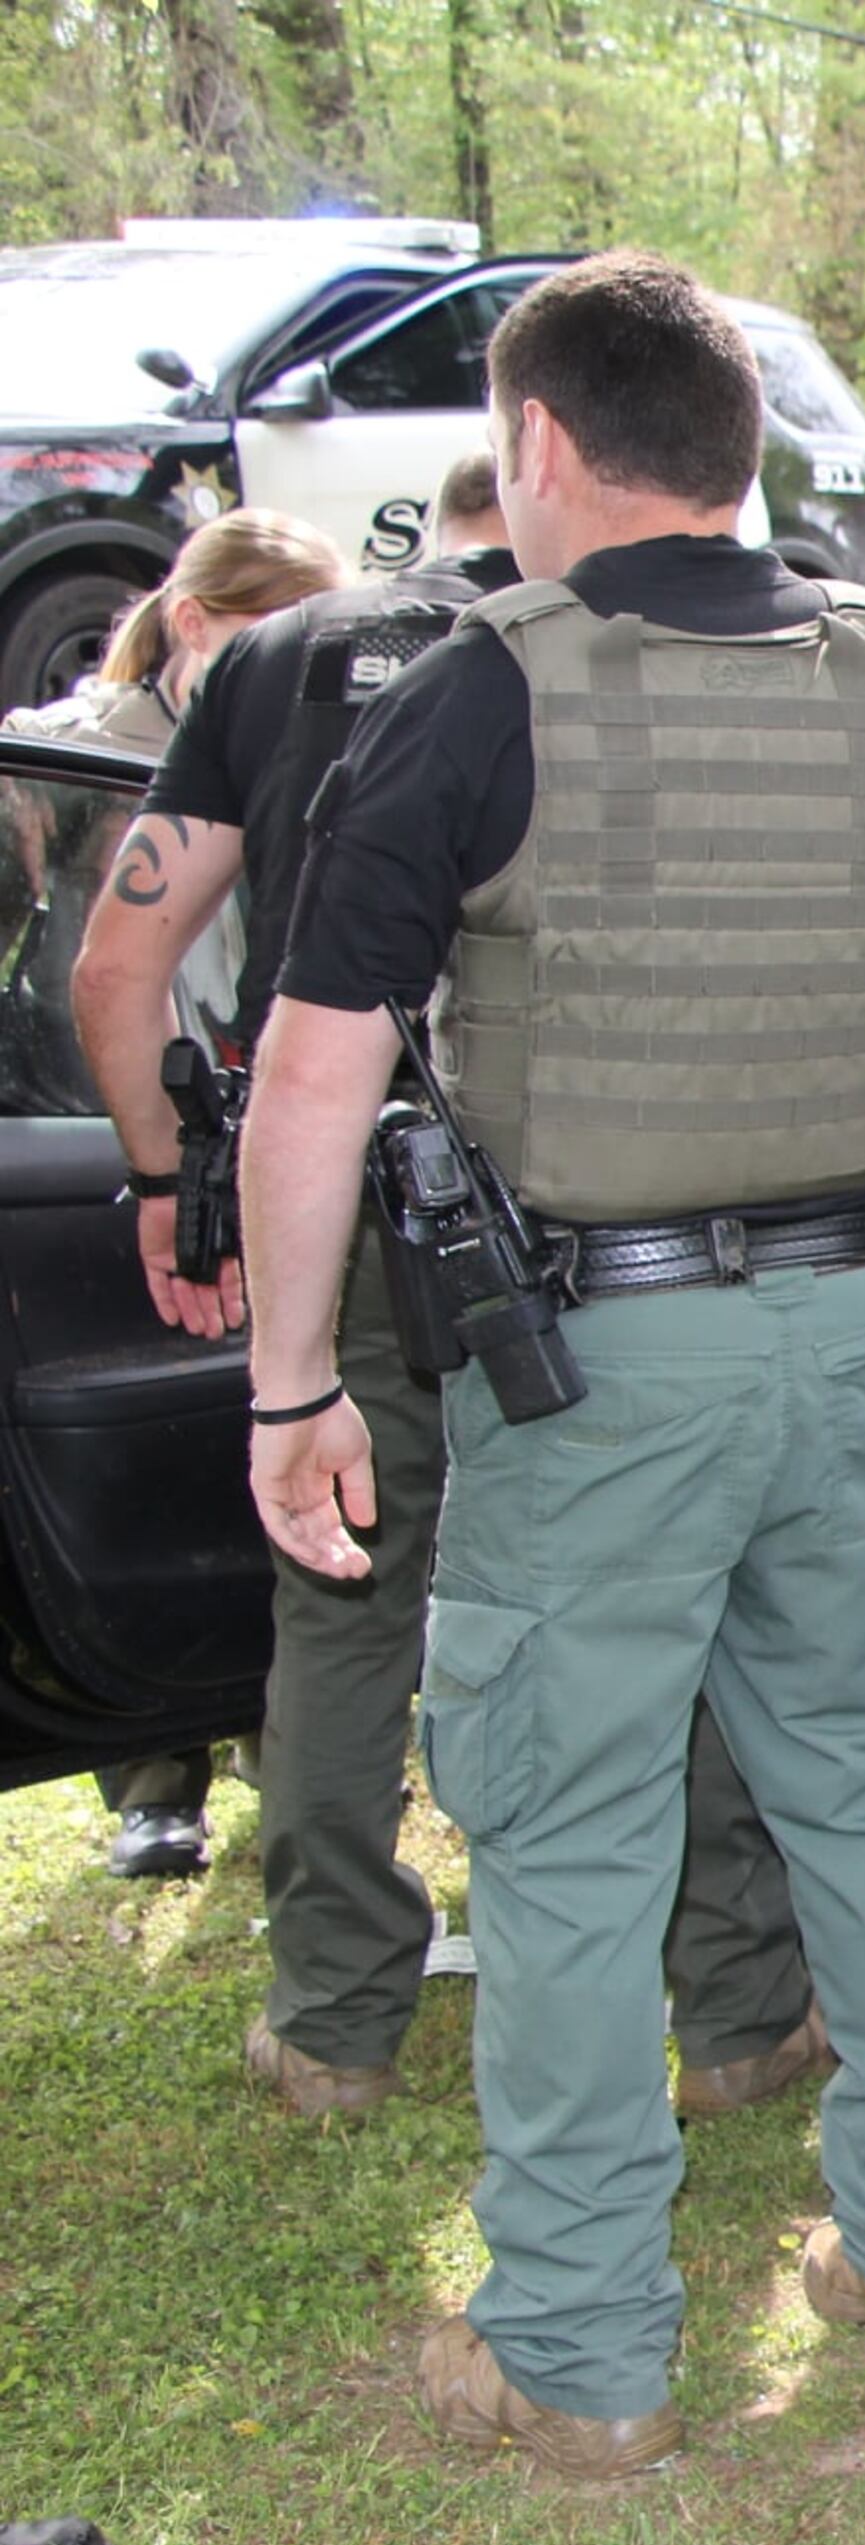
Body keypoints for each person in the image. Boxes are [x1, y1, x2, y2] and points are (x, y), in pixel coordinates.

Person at [233, 251, 865, 2479]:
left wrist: (294, 1384)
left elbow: (306, 1071)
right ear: (743, 450)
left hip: (596, 1367)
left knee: (564, 1840)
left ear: (540, 445)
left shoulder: (485, 690)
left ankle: (578, 2341)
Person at [72, 455, 826, 2125]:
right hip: (588, 1206)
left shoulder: (276, 657)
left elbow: (119, 965)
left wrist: (152, 1172)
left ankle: (336, 2021)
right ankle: (740, 2013)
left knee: (343, 1590)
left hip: (351, 1188)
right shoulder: (607, 649)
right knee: (658, 1590)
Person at [9, 506, 343, 1879]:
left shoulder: (289, 747)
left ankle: (270, 1734)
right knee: (153, 1458)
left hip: (254, 1131)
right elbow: (87, 976)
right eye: (276, 638)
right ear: (198, 621)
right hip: (110, 1139)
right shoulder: (68, 762)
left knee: (255, 1435)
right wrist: (150, 1157)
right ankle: (155, 1774)